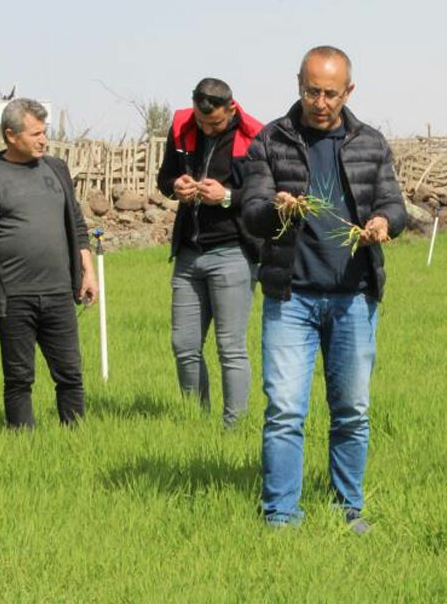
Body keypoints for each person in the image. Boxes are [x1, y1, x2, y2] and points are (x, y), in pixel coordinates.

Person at [241, 46, 406, 531]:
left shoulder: (370, 143)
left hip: (354, 296)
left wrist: (383, 222)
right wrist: (277, 208)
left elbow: (394, 204)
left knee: (352, 410)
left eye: (330, 93)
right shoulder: (271, 140)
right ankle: (281, 514)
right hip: (290, 297)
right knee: (285, 411)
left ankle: (347, 508)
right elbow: (251, 211)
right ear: (299, 84)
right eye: (312, 91)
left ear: (348, 92)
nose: (320, 102)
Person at [0, 98, 97, 428]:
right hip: (11, 295)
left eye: (44, 132)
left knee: (70, 374)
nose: (43, 140)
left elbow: (77, 225)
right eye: (35, 134)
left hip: (59, 292)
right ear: (11, 135)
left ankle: (77, 439)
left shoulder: (56, 169)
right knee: (19, 378)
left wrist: (88, 272)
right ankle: (23, 443)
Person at [156, 78, 263, 428]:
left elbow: (264, 195)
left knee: (230, 348)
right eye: (201, 123)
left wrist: (227, 196)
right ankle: (196, 423)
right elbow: (164, 178)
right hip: (188, 255)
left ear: (231, 108)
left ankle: (234, 427)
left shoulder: (255, 137)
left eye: (214, 123)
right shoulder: (182, 129)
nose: (206, 129)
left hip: (233, 253)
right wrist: (175, 186)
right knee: (184, 345)